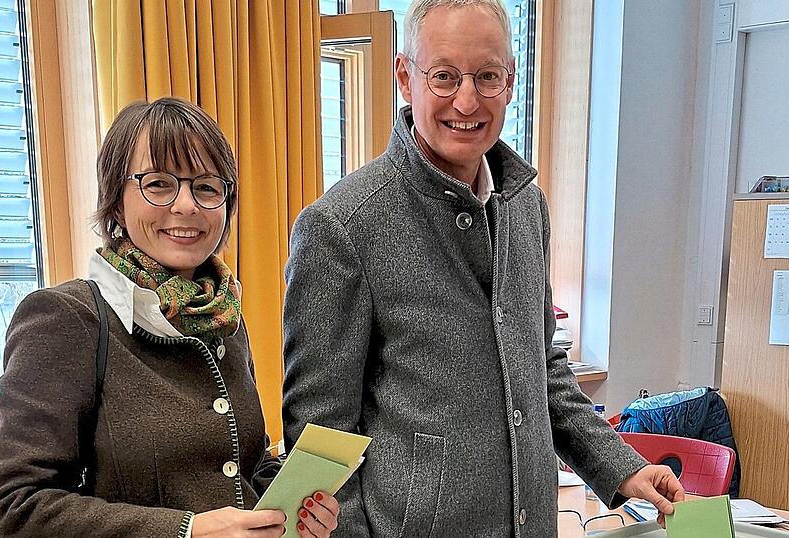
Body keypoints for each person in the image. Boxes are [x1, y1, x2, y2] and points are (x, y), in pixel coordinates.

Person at [281, 1, 685, 536]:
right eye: (444, 76)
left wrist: (622, 468)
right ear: (405, 77)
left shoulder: (525, 206)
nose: (467, 101)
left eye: (487, 76)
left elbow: (542, 369)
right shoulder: (342, 226)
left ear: (511, 82)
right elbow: (320, 438)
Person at [0, 97, 339, 537]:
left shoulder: (222, 316)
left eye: (207, 187)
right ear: (116, 202)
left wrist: (295, 509)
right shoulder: (66, 318)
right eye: (158, 184)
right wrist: (185, 531)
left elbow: (245, 463)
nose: (187, 205)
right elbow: (15, 505)